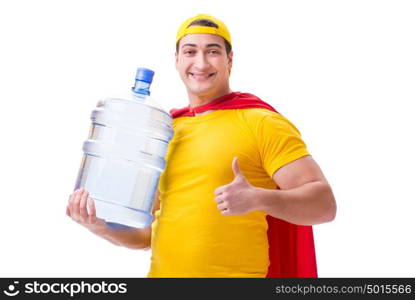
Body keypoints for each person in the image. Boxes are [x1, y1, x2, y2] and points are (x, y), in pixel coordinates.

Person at [67, 14, 336, 278]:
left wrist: (258, 198)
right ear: (177, 60)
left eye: (213, 51)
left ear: (229, 60)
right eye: (190, 51)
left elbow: (324, 205)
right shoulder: (168, 129)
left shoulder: (261, 122)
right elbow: (147, 234)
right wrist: (99, 226)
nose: (201, 62)